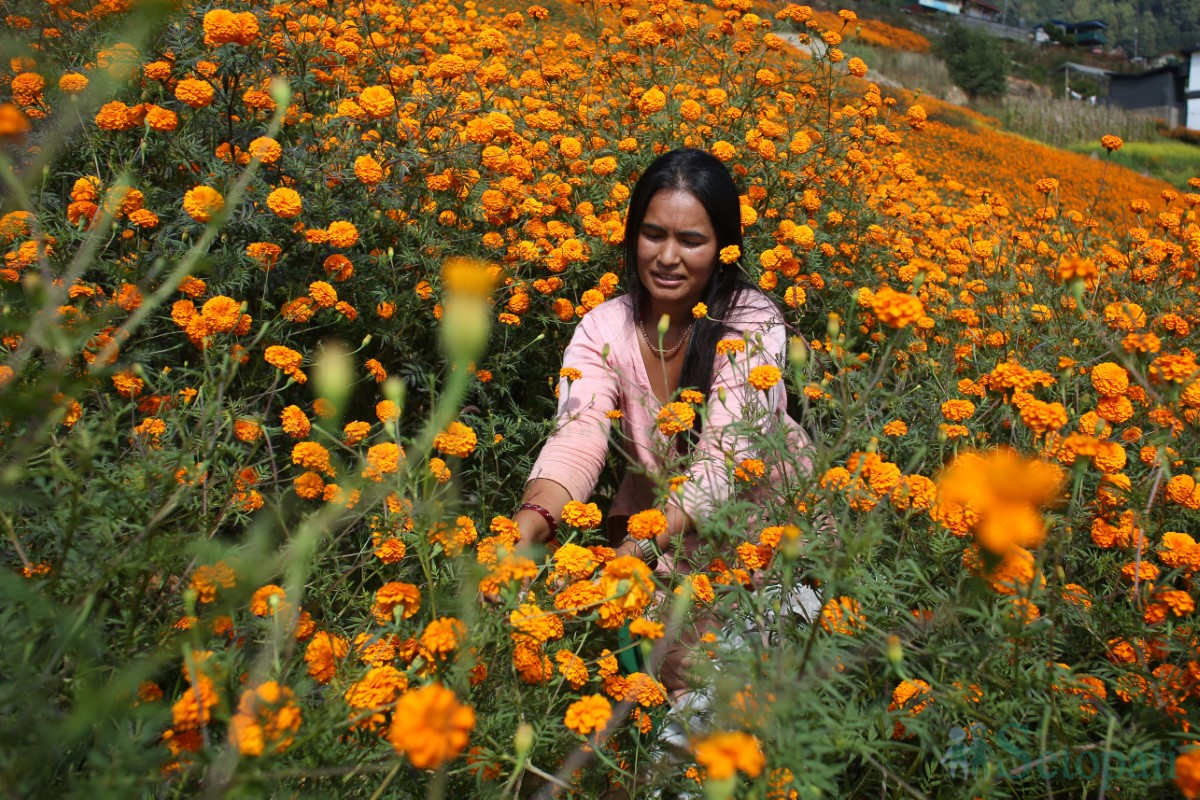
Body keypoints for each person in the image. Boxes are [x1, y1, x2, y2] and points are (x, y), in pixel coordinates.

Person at [512, 147, 818, 701]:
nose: (667, 257)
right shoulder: (603, 326)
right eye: (653, 235)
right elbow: (575, 440)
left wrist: (632, 556)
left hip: (768, 543)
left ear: (723, 250)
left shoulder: (751, 322)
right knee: (645, 703)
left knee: (726, 716)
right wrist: (526, 530)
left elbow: (725, 462)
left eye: (691, 241)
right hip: (666, 548)